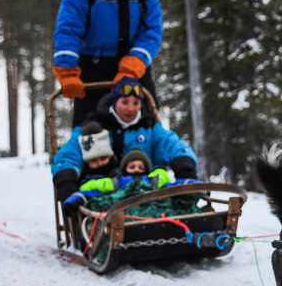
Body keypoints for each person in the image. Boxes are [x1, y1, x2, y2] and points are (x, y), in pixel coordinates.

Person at [53, 0, 163, 127]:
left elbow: (152, 30)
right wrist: (67, 70)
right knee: (90, 132)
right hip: (93, 71)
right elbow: (68, 29)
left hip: (134, 70)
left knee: (145, 128)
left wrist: (133, 64)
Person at [53, 78, 199, 211]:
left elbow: (175, 146)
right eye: (125, 102)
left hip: (147, 195)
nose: (131, 109)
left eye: (136, 103)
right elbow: (69, 155)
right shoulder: (93, 127)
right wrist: (67, 182)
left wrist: (185, 167)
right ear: (114, 101)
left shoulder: (150, 128)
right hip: (103, 198)